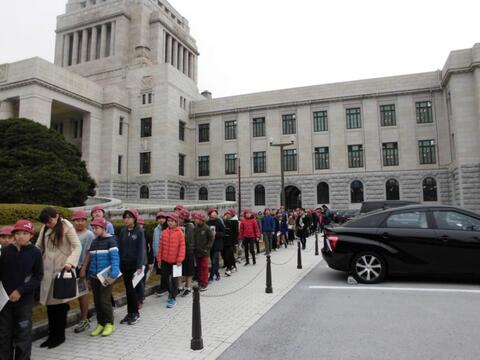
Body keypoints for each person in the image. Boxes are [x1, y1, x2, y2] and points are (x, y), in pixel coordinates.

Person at [36, 207, 81, 349]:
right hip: (47, 271)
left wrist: (70, 262)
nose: (48, 224)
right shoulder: (45, 228)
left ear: (57, 216)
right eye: (46, 222)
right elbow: (38, 247)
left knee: (60, 305)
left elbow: (77, 246)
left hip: (61, 271)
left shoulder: (67, 227)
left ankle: (59, 336)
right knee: (50, 306)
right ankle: (52, 335)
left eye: (50, 221)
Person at [0, 220, 43, 359]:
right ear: (13, 235)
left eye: (25, 233)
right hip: (5, 302)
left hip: (24, 301)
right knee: (4, 334)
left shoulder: (35, 253)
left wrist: (20, 291)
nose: (21, 236)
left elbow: (38, 276)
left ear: (31, 235)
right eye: (17, 233)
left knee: (23, 335)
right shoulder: (5, 251)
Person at [80, 217, 120, 337]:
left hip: (107, 278)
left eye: (97, 228)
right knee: (97, 301)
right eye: (93, 228)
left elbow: (115, 259)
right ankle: (100, 323)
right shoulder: (94, 241)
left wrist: (113, 275)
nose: (94, 230)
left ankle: (109, 324)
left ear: (104, 228)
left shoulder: (111, 241)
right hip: (94, 277)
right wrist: (88, 277)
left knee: (104, 301)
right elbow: (91, 259)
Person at [117, 208, 145, 325]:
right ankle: (130, 313)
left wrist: (139, 265)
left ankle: (136, 313)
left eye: (129, 217)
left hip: (135, 266)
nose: (127, 220)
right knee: (128, 290)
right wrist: (118, 264)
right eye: (125, 217)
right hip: (124, 265)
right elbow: (120, 248)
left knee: (132, 290)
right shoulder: (123, 231)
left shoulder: (139, 231)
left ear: (134, 219)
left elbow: (140, 250)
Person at [71, 210, 95, 334]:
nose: (79, 223)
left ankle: (84, 319)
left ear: (86, 222)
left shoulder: (89, 235)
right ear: (73, 221)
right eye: (77, 220)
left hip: (81, 268)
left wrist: (84, 268)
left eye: (82, 220)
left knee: (82, 294)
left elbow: (89, 252)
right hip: (69, 267)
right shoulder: (69, 233)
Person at [156, 212, 185, 308]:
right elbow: (160, 247)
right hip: (165, 260)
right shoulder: (164, 232)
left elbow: (182, 247)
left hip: (176, 262)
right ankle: (170, 292)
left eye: (172, 221)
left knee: (174, 280)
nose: (170, 223)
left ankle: (173, 297)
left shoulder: (180, 233)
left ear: (176, 222)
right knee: (164, 278)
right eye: (168, 221)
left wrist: (180, 259)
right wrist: (159, 259)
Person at [192, 211, 214, 291]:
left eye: (197, 219)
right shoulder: (195, 228)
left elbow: (211, 238)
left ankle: (205, 283)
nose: (195, 220)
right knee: (199, 267)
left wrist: (207, 247)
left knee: (204, 268)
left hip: (204, 252)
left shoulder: (206, 228)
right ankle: (200, 282)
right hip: (197, 252)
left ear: (201, 219)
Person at [135, 216, 153, 310]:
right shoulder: (134, 233)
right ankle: (139, 297)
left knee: (141, 281)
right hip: (135, 262)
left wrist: (150, 262)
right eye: (138, 224)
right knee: (136, 281)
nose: (139, 226)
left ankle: (140, 300)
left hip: (144, 261)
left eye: (141, 224)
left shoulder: (147, 235)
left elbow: (150, 250)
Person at [177, 209, 195, 297]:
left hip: (189, 251)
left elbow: (187, 239)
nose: (178, 219)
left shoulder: (190, 226)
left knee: (189, 270)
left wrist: (180, 232)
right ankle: (179, 286)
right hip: (180, 251)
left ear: (184, 218)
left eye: (180, 217)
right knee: (179, 270)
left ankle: (188, 287)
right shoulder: (180, 226)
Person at [206, 209, 225, 282]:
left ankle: (211, 277)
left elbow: (223, 233)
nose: (214, 215)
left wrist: (216, 234)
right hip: (210, 244)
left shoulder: (219, 222)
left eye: (215, 214)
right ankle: (217, 274)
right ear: (210, 215)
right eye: (212, 214)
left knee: (214, 261)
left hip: (217, 244)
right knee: (214, 261)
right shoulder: (207, 223)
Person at [153, 211, 168, 297]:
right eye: (159, 218)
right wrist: (156, 254)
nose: (161, 220)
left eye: (163, 218)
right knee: (162, 272)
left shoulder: (167, 229)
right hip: (158, 254)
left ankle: (164, 287)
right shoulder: (156, 229)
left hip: (166, 254)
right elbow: (155, 242)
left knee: (165, 272)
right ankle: (163, 287)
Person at [223, 208, 238, 276]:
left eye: (228, 214)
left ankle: (229, 268)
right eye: (227, 213)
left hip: (231, 241)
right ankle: (234, 266)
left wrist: (235, 242)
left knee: (228, 254)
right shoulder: (225, 221)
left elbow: (236, 232)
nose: (227, 215)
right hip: (225, 241)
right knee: (230, 254)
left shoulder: (234, 221)